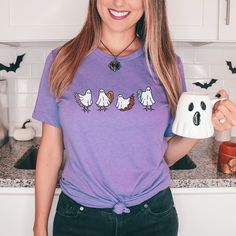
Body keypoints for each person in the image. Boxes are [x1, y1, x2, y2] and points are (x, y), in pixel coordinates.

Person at [32, 0, 236, 236]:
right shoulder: (62, 60)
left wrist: (204, 125)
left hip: (153, 217)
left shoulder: (166, 65)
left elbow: (165, 156)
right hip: (78, 217)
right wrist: (39, 227)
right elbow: (49, 153)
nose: (119, 2)